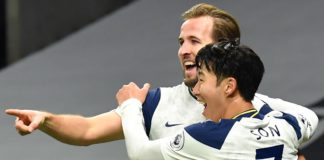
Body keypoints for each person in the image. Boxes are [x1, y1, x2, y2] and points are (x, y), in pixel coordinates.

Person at [5, 2, 318, 154]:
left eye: (194, 41)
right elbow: (87, 130)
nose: (183, 50)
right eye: (180, 42)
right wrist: (45, 119)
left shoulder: (257, 110)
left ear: (224, 50)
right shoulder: (157, 103)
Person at [116, 41, 318, 159]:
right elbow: (310, 116)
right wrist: (249, 93)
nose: (195, 90)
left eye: (201, 79)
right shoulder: (287, 125)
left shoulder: (211, 138)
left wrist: (130, 104)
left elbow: (140, 154)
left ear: (229, 86)